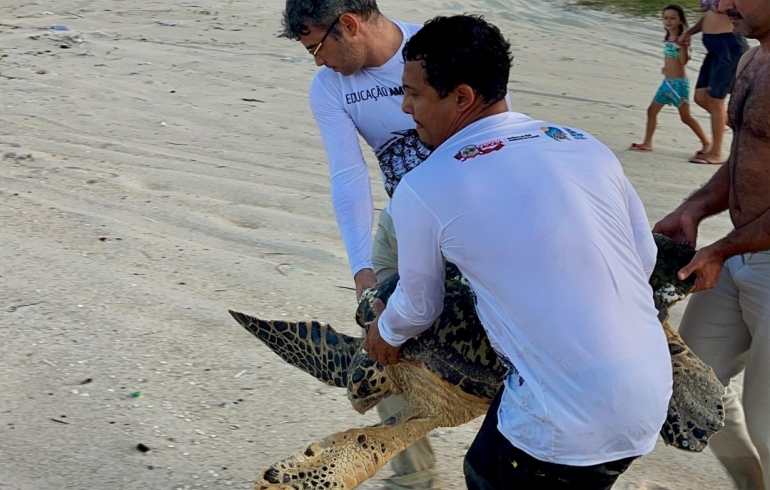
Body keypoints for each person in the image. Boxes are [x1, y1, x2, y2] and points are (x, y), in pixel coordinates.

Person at [363, 14, 673, 490]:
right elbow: (643, 258)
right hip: (650, 394)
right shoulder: (582, 144)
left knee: (486, 473)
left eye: (414, 93)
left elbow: (420, 305)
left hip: (564, 418)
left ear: (462, 97)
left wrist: (383, 333)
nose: (405, 107)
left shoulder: (425, 186)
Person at [279, 1, 440, 488]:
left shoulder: (442, 47)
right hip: (402, 218)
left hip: (467, 212)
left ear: (347, 25)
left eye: (317, 48)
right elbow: (348, 177)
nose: (318, 62)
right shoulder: (330, 87)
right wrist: (362, 272)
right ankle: (416, 476)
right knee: (378, 339)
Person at [653, 0, 770, 485]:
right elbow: (744, 158)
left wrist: (719, 249)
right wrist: (693, 209)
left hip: (740, 253)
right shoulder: (752, 59)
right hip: (741, 251)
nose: (722, 6)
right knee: (690, 388)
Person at [630, 5, 711, 153]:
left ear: (680, 21)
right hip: (666, 83)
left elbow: (683, 61)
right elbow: (670, 58)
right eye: (665, 18)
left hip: (679, 85)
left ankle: (707, 143)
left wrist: (684, 47)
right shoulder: (668, 37)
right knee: (651, 111)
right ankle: (647, 143)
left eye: (673, 18)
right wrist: (666, 68)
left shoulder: (682, 39)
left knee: (685, 117)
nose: (668, 21)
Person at [678, 0, 749, 164]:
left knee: (715, 101)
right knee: (700, 97)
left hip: (729, 48)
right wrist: (689, 33)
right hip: (713, 50)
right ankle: (735, 124)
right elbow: (708, 17)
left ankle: (716, 153)